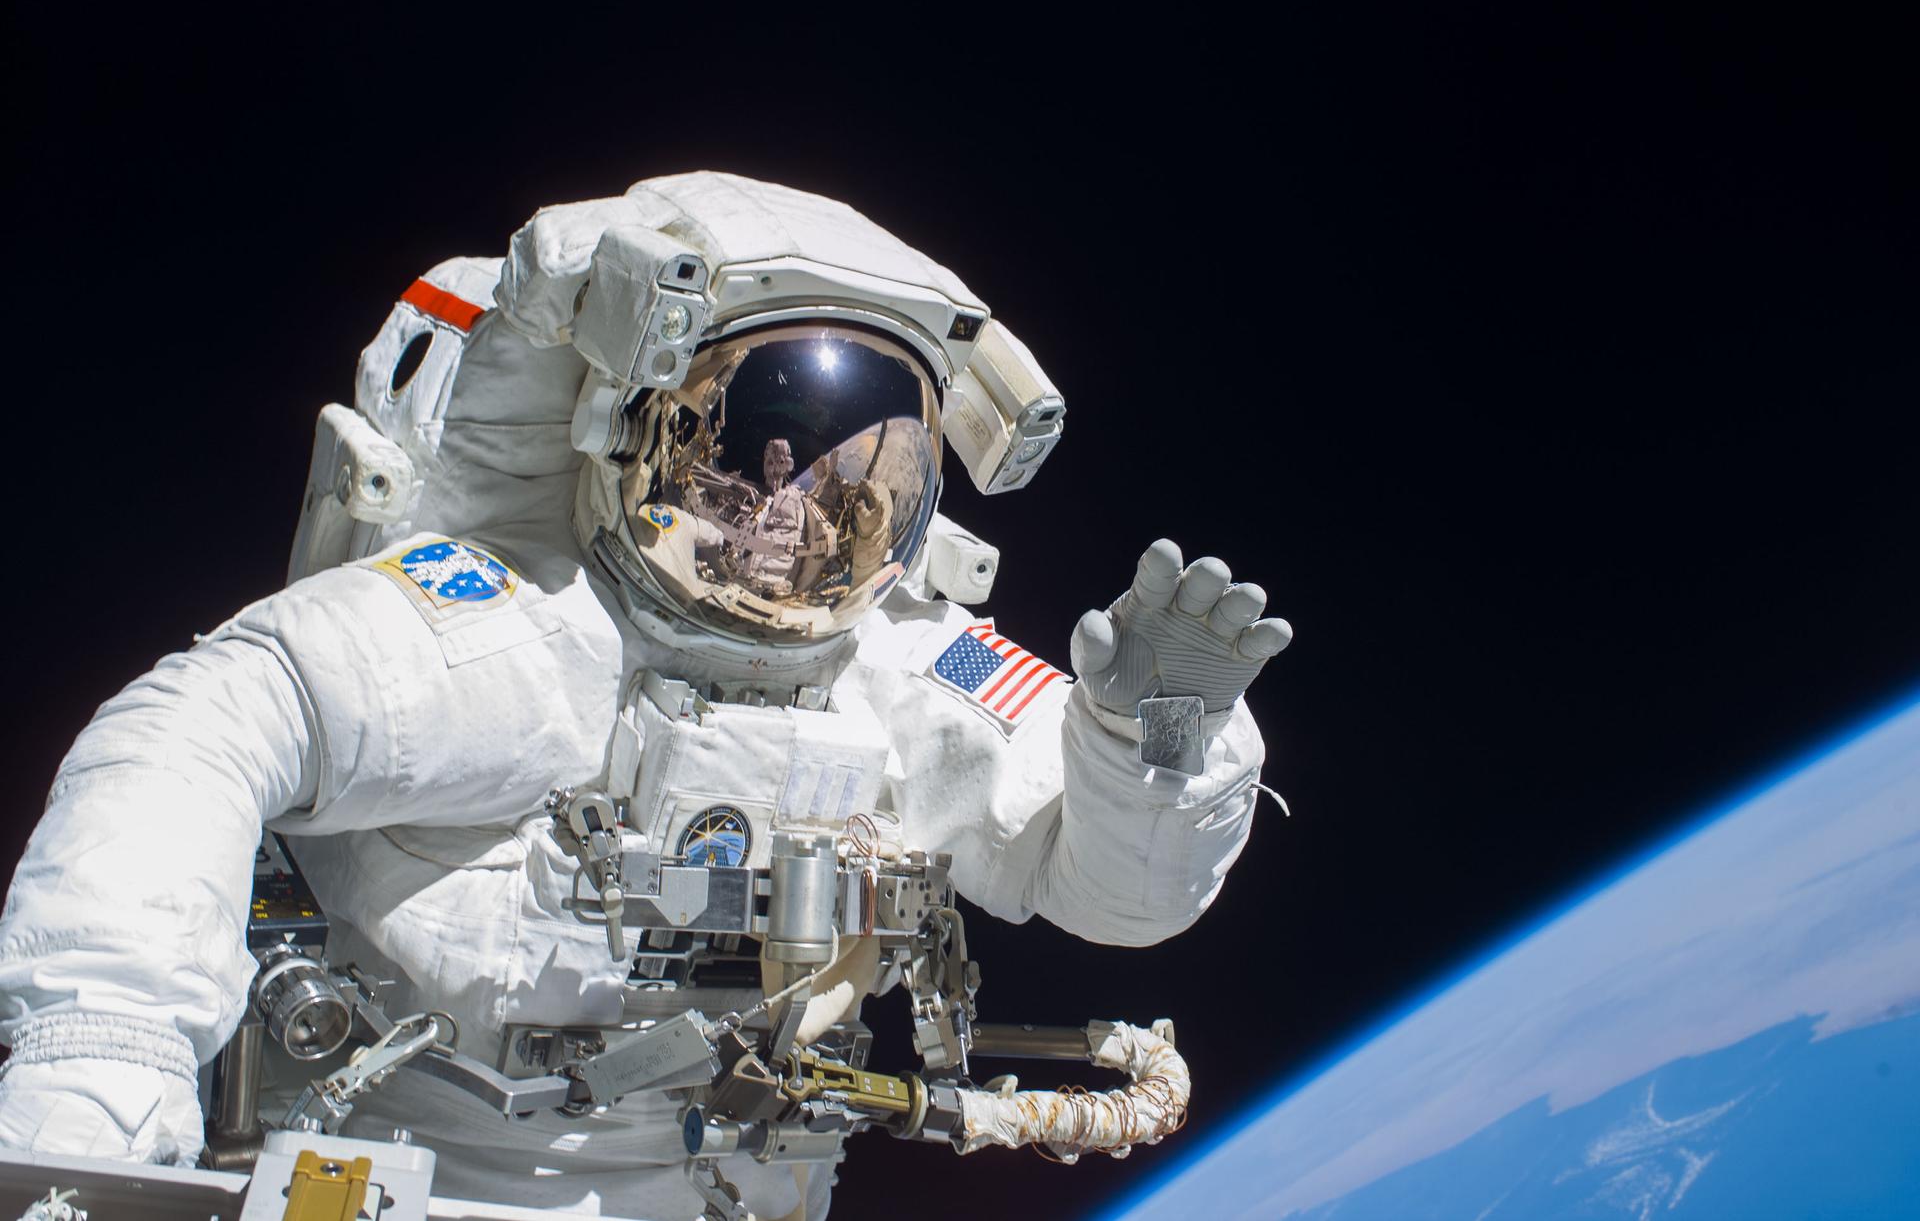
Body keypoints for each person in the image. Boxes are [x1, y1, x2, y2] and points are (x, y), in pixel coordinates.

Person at [0, 173, 1290, 1218]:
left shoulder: (907, 662)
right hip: (421, 1176)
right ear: (628, 427)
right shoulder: (514, 622)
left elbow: (1113, 895)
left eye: (858, 478)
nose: (791, 521)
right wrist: (98, 1072)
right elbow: (204, 725)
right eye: (740, 456)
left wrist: (1153, 748)